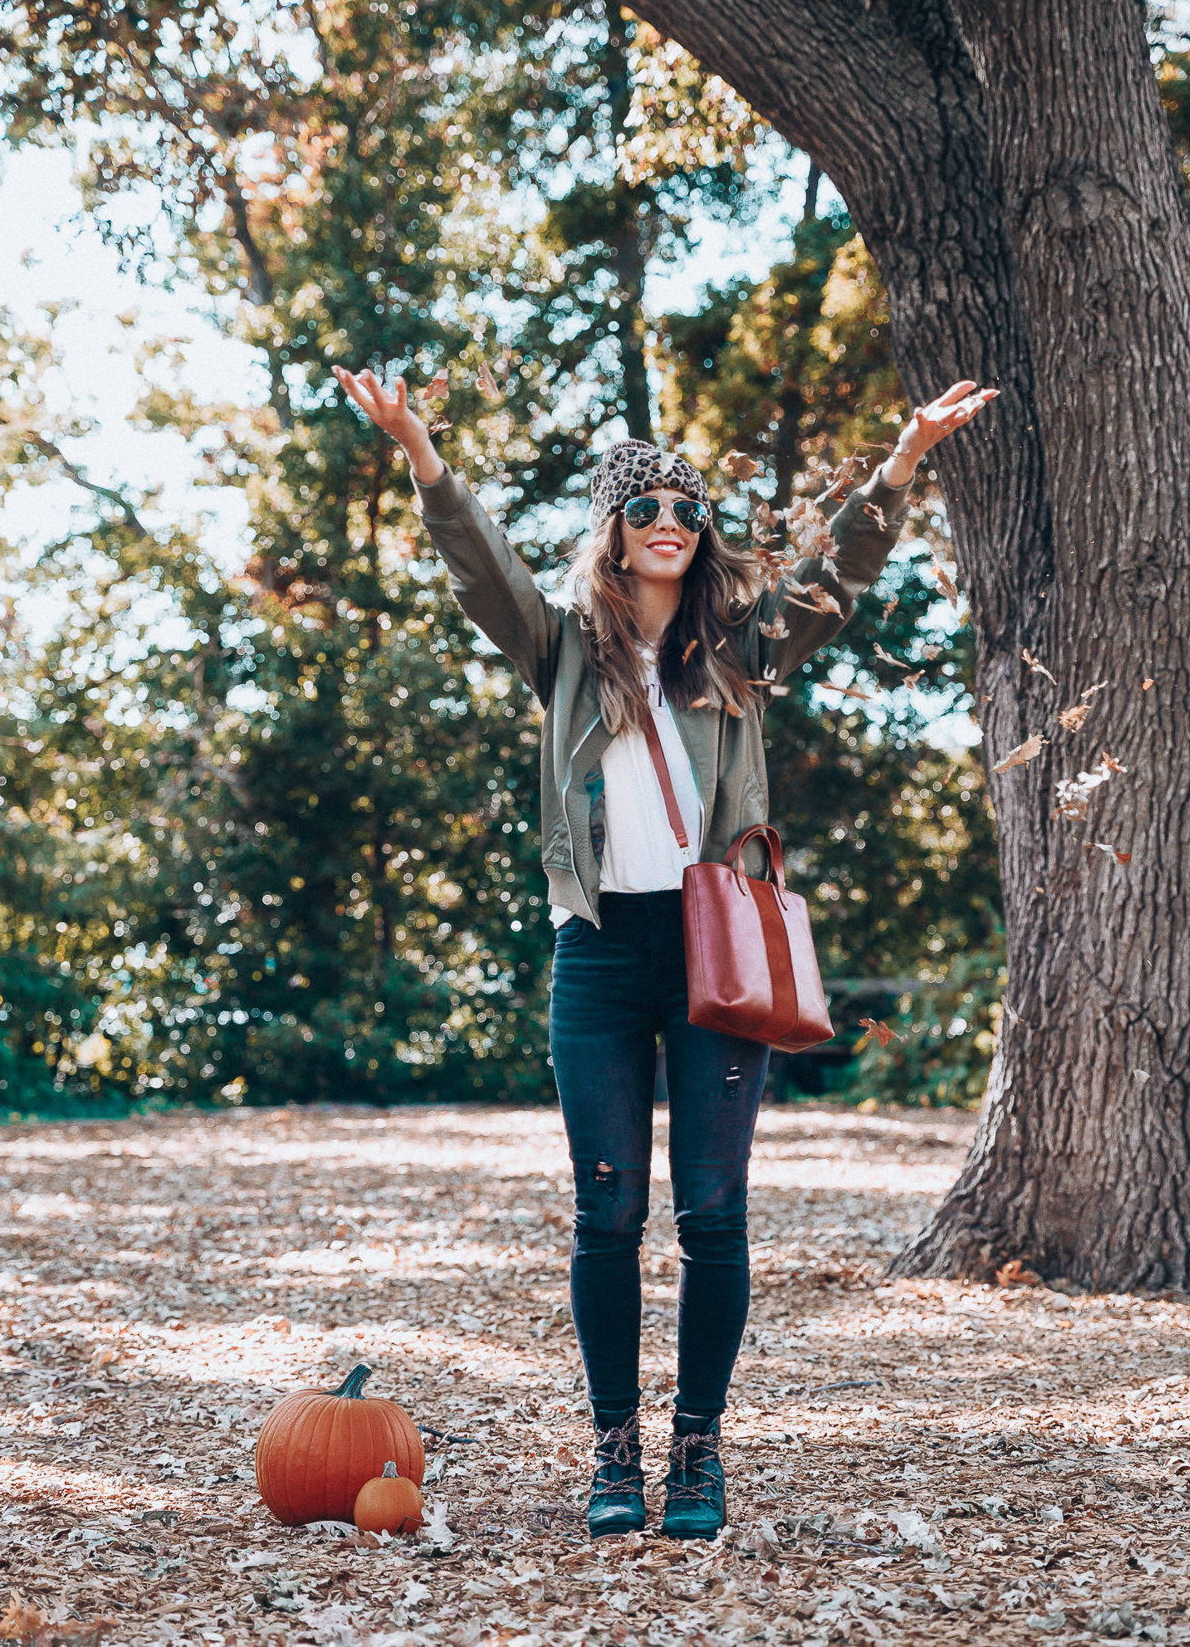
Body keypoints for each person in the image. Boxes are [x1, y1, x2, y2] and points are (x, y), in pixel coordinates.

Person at [336, 361, 996, 1540]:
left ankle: (696, 1447)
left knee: (712, 1215)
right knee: (605, 1213)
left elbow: (835, 574)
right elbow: (480, 566)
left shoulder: (734, 654)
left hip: (714, 950)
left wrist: (902, 459)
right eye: (647, 508)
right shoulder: (561, 652)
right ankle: (614, 1444)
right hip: (596, 949)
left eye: (689, 509)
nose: (672, 525)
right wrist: (421, 454)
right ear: (611, 530)